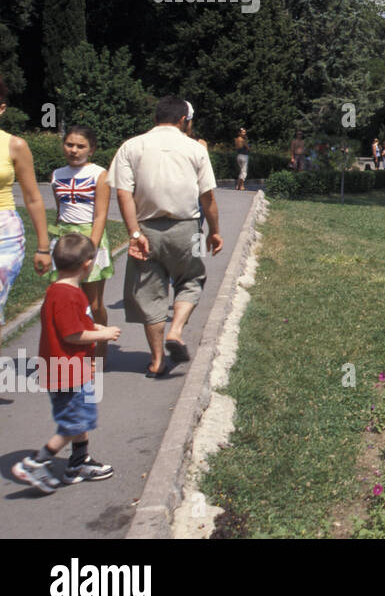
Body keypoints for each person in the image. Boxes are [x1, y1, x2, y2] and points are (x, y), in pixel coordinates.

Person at [108, 95, 222, 377]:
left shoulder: (131, 147)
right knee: (192, 280)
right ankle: (177, 330)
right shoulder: (195, 149)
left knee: (150, 293)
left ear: (155, 118)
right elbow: (207, 196)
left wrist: (133, 233)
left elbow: (123, 193)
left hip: (146, 229)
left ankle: (157, 360)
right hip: (188, 229)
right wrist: (215, 232)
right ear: (184, 120)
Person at [10, 232, 121, 493]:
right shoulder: (67, 296)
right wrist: (102, 334)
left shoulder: (61, 291)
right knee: (75, 423)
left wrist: (92, 326)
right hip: (66, 372)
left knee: (78, 416)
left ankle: (78, 462)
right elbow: (72, 334)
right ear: (87, 264)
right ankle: (35, 463)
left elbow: (73, 323)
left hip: (71, 369)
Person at [48, 125, 115, 362]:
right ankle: (68, 348)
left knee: (93, 303)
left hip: (90, 238)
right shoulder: (57, 174)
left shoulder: (100, 174)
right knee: (66, 298)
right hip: (65, 239)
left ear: (92, 149)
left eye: (80, 146)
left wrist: (91, 247)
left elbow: (100, 215)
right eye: (69, 145)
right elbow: (59, 211)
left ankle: (100, 347)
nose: (74, 150)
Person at [0, 74, 52, 326]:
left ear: (1, 108)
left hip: (4, 234)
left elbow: (33, 198)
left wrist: (43, 247)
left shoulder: (15, 145)